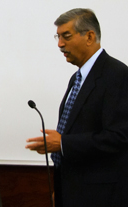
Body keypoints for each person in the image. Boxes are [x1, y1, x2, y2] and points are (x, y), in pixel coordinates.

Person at [26, 8, 128, 207]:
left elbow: (119, 136)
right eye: (58, 36)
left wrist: (64, 143)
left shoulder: (117, 75)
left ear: (89, 36)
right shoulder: (77, 78)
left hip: (101, 195)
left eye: (66, 36)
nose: (60, 44)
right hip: (71, 190)